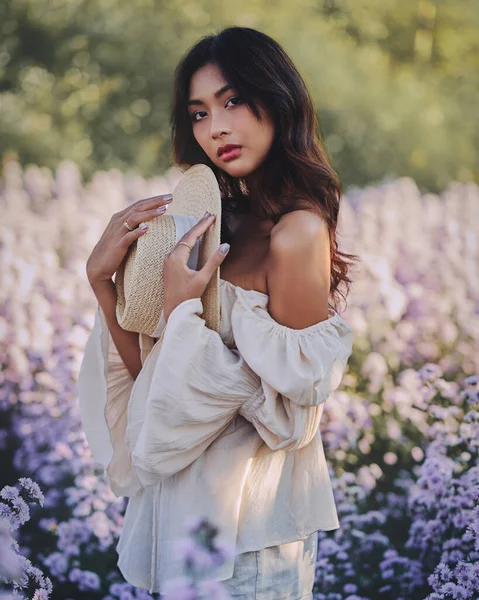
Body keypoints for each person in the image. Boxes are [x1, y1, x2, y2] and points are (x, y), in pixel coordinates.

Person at [79, 26, 359, 599]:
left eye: (232, 101)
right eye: (200, 113)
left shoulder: (297, 234)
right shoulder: (213, 228)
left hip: (252, 533)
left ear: (278, 99)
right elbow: (154, 384)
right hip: (179, 519)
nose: (217, 128)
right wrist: (103, 285)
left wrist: (184, 313)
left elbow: (295, 414)